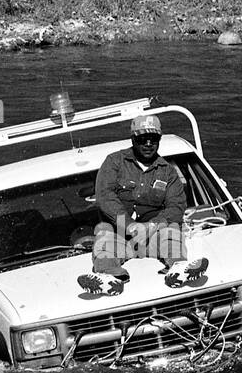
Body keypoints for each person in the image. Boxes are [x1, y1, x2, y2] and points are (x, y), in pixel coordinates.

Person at [78, 114, 208, 295]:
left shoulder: (168, 172)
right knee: (104, 235)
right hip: (119, 236)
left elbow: (176, 206)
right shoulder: (114, 162)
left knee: (171, 233)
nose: (148, 144)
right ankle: (107, 277)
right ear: (133, 139)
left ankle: (179, 267)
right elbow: (105, 196)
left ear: (159, 140)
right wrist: (129, 226)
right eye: (142, 139)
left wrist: (152, 225)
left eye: (153, 139)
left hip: (154, 236)